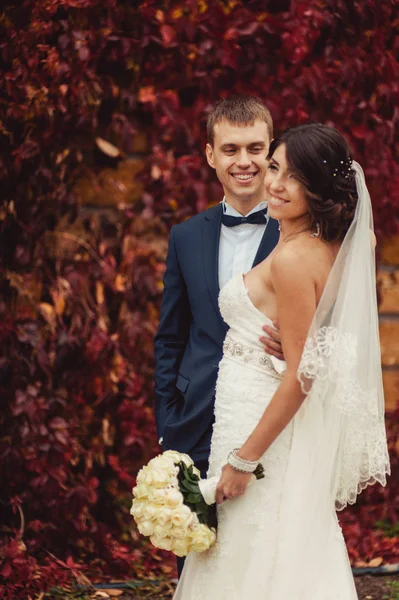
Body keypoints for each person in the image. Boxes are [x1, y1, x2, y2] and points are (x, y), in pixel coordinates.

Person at [173, 123, 390, 599]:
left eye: (293, 177)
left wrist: (243, 460)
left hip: (258, 430)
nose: (273, 182)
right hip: (249, 415)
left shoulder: (294, 259)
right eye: (275, 166)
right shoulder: (316, 246)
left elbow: (300, 376)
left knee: (254, 547)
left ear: (318, 190)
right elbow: (318, 346)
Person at [154, 95, 282, 483]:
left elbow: (328, 325)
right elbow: (170, 337)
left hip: (274, 421)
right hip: (193, 421)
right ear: (211, 155)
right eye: (230, 149)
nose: (243, 161)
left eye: (255, 149)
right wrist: (167, 419)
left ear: (271, 152)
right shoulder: (185, 237)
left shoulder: (301, 235)